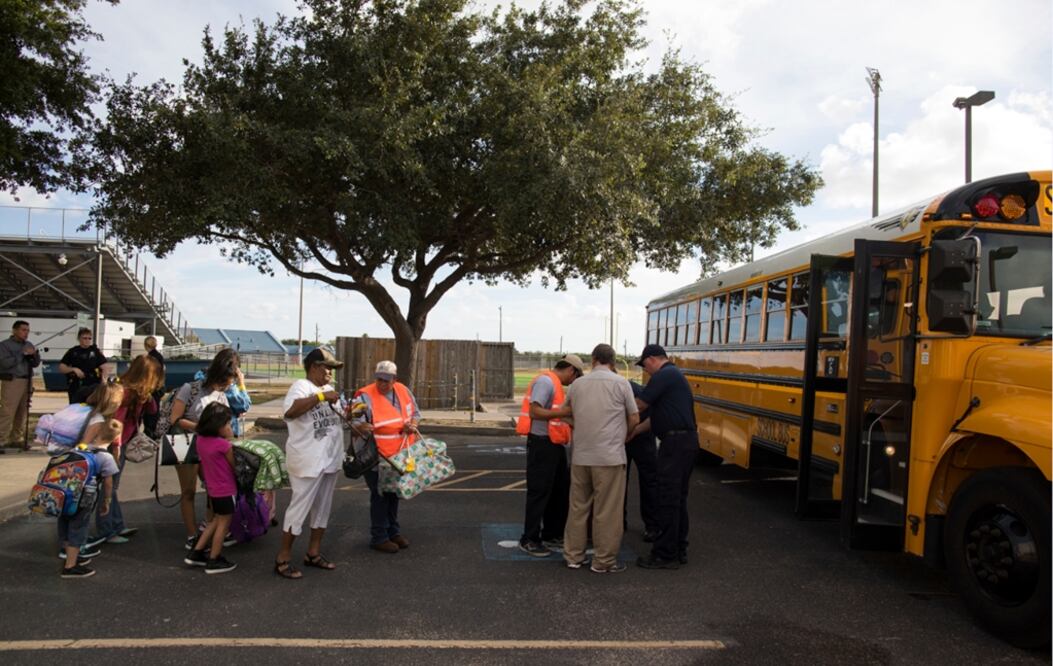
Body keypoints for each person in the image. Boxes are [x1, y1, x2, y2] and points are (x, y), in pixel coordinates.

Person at [561, 344, 639, 573]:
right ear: (613, 361)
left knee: (577, 507)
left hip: (581, 455)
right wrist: (624, 436)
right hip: (610, 456)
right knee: (607, 511)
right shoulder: (621, 383)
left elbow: (566, 413)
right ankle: (603, 561)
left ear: (593, 360)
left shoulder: (577, 384)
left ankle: (573, 556)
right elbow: (634, 417)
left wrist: (580, 427)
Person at [274, 348, 345, 579]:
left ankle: (313, 553)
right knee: (299, 509)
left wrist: (355, 416)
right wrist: (321, 397)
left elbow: (338, 419)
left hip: (329, 459)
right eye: (328, 368)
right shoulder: (301, 387)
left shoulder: (326, 389)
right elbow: (291, 412)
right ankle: (283, 558)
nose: (331, 373)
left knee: (322, 508)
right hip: (307, 461)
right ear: (314, 366)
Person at [165, 349, 240, 550]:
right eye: (226, 380)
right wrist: (202, 428)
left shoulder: (222, 395)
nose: (227, 384)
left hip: (210, 447)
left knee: (213, 488)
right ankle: (192, 534)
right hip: (185, 443)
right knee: (188, 491)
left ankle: (210, 528)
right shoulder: (190, 388)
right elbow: (175, 419)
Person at [633, 344, 697, 570]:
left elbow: (639, 406)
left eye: (645, 365)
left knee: (667, 499)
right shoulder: (674, 376)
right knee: (677, 498)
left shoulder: (664, 375)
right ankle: (679, 548)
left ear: (651, 359)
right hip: (684, 442)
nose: (646, 371)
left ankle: (664, 555)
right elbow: (655, 420)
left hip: (675, 444)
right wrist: (631, 433)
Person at [514, 353, 584, 557]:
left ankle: (551, 533)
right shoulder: (546, 381)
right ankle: (530, 539)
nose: (573, 382)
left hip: (554, 445)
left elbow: (556, 417)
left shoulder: (554, 384)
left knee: (559, 491)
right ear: (571, 370)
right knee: (540, 492)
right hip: (541, 444)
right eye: (575, 378)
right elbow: (535, 412)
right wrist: (565, 412)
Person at [90, 356, 164, 545]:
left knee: (112, 487)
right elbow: (116, 423)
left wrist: (150, 397)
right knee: (107, 487)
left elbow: (153, 409)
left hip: (119, 443)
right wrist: (116, 448)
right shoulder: (124, 394)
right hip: (112, 445)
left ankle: (116, 524)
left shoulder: (136, 393)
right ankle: (106, 530)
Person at [351, 360, 421, 554]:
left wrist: (412, 425)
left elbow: (415, 413)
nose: (382, 384)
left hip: (399, 455)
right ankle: (379, 537)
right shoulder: (364, 395)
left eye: (386, 380)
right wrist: (361, 427)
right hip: (375, 457)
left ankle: (393, 532)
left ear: (394, 379)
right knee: (380, 495)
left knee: (393, 494)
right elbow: (352, 424)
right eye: (379, 379)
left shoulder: (403, 391)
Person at [59, 419, 120, 578]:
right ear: (114, 439)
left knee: (65, 525)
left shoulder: (79, 449)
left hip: (66, 495)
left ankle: (68, 556)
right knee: (78, 528)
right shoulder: (106, 458)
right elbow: (108, 483)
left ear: (97, 433)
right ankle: (70, 566)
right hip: (84, 499)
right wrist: (106, 501)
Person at [183, 402, 239, 574]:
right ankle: (214, 558)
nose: (230, 428)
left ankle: (197, 552)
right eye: (228, 424)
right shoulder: (224, 446)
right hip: (226, 489)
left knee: (214, 520)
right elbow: (234, 466)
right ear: (218, 426)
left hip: (213, 489)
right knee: (224, 523)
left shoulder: (200, 440)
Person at [626, 380, 660, 542]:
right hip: (628, 436)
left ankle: (652, 525)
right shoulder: (621, 386)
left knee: (648, 481)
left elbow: (646, 414)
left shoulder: (631, 390)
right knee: (620, 481)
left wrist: (632, 432)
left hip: (640, 437)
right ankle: (620, 522)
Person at [0, 320, 40, 452]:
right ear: (15, 330)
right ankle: (1, 439)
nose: (26, 333)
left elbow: (35, 363)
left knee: (22, 412)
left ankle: (16, 438)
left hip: (27, 380)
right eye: (23, 330)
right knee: (7, 411)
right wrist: (21, 354)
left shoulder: (29, 344)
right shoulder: (5, 345)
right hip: (12, 381)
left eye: (27, 330)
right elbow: (5, 363)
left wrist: (34, 355)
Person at [58, 328, 109, 404]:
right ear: (79, 338)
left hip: (92, 385)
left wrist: (104, 382)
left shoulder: (95, 351)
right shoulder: (73, 351)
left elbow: (105, 367)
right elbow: (61, 367)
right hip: (76, 385)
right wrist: (73, 369)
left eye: (89, 338)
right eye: (84, 338)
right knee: (75, 408)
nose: (87, 340)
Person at [141, 336, 165, 437]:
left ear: (146, 345)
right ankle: (153, 431)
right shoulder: (159, 356)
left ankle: (149, 432)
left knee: (149, 413)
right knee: (155, 411)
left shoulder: (150, 358)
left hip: (151, 388)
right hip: (158, 387)